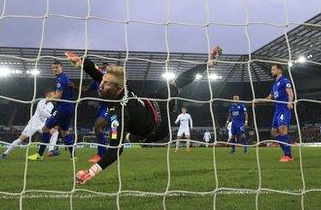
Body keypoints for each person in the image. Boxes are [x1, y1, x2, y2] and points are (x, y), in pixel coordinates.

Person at [69, 46, 222, 184]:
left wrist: (90, 172)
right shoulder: (121, 96)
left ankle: (207, 64)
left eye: (106, 83)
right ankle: (207, 64)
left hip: (159, 117)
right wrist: (82, 62)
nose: (101, 85)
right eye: (103, 81)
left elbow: (114, 151)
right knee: (175, 85)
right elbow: (98, 74)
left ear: (118, 88)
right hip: (155, 114)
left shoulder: (118, 114)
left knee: (176, 84)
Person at [28, 61, 76, 160]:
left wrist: (48, 99)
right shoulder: (65, 78)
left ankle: (39, 155)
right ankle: (73, 156)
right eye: (53, 68)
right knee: (65, 132)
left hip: (62, 108)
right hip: (69, 108)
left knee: (45, 129)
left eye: (56, 67)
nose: (54, 69)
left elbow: (58, 97)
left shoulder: (60, 79)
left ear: (61, 67)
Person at [2, 89, 58, 158]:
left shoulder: (51, 105)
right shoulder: (41, 102)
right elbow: (41, 113)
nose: (54, 96)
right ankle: (5, 153)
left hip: (42, 124)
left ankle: (51, 151)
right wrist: (53, 117)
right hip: (33, 124)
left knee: (55, 132)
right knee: (21, 139)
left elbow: (47, 116)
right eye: (53, 94)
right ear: (48, 94)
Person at [263, 63, 295, 162]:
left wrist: (290, 102)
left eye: (273, 69)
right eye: (271, 70)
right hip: (277, 111)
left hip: (284, 108)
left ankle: (288, 156)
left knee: (282, 129)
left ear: (279, 70)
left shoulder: (284, 80)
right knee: (273, 132)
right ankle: (287, 152)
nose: (271, 71)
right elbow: (270, 97)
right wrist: (259, 101)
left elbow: (290, 92)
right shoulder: (274, 85)